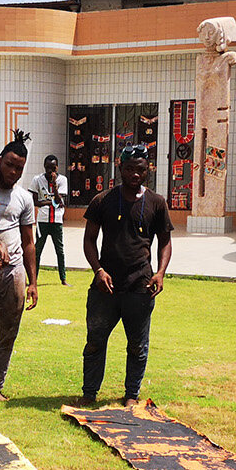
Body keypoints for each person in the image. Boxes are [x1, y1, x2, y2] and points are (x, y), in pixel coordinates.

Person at [74, 144, 174, 408]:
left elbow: (165, 241)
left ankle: (131, 394)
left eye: (140, 169)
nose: (135, 174)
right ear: (119, 168)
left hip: (140, 286)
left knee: (137, 345)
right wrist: (98, 270)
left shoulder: (157, 203)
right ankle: (89, 393)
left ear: (148, 170)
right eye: (129, 169)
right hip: (105, 287)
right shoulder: (102, 200)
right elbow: (89, 240)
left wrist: (160, 273)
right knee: (95, 341)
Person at [0, 131, 38, 401]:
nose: (14, 172)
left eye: (19, 168)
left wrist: (33, 282)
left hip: (13, 270)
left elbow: (29, 242)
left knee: (8, 332)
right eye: (10, 165)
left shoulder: (24, 198)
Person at [29, 154, 69, 284]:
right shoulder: (37, 180)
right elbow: (35, 202)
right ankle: (33, 279)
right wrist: (52, 202)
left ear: (57, 167)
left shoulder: (62, 180)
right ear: (44, 167)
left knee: (60, 250)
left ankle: (63, 279)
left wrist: (55, 185)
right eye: (47, 167)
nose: (49, 171)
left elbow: (59, 200)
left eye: (52, 168)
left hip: (57, 220)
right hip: (43, 220)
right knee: (37, 250)